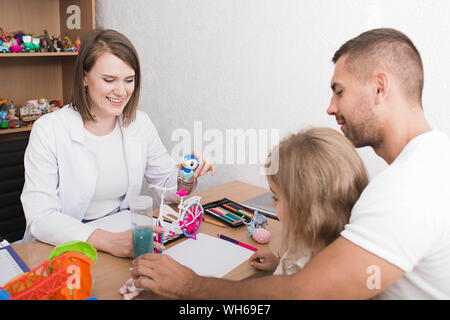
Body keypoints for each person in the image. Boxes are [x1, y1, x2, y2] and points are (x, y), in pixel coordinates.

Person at [130, 28, 450, 299]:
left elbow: (302, 293)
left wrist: (191, 284)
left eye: (339, 91)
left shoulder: (408, 187)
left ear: (380, 87)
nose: (330, 107)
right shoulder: (432, 158)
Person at [20, 29, 215, 258]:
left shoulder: (139, 123)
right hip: (64, 244)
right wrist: (107, 240)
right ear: (84, 77)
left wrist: (187, 175)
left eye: (129, 80)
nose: (121, 91)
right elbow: (41, 217)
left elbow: (167, 185)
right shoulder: (49, 129)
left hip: (119, 233)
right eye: (109, 80)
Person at [248, 127, 368, 276]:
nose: (273, 204)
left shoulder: (315, 269)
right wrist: (278, 265)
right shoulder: (313, 242)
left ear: (305, 207)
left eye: (276, 198)